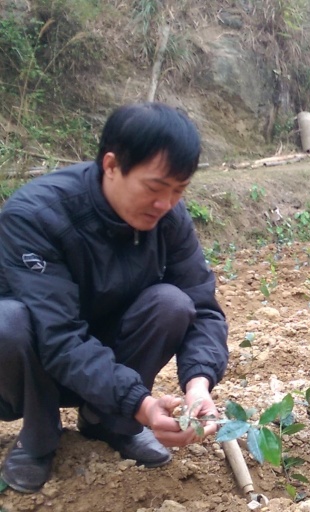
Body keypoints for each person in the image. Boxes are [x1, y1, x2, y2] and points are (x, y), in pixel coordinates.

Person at [0, 102, 229, 493]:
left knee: (173, 303)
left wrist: (199, 383)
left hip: (109, 358)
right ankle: (39, 436)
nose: (166, 204)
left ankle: (108, 421)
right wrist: (141, 402)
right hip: (39, 360)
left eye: (179, 190)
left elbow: (203, 306)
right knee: (10, 321)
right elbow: (58, 336)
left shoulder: (169, 218)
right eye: (155, 188)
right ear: (111, 165)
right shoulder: (35, 216)